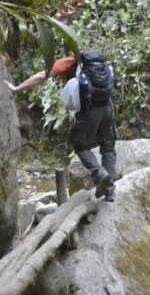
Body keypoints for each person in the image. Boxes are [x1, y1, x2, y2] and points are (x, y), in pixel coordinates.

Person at [7, 48, 118, 202]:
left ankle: (100, 173)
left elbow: (41, 76)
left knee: (80, 146)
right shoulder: (97, 60)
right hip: (107, 107)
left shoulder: (69, 62)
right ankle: (109, 192)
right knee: (108, 148)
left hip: (89, 110)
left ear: (67, 50)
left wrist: (17, 89)